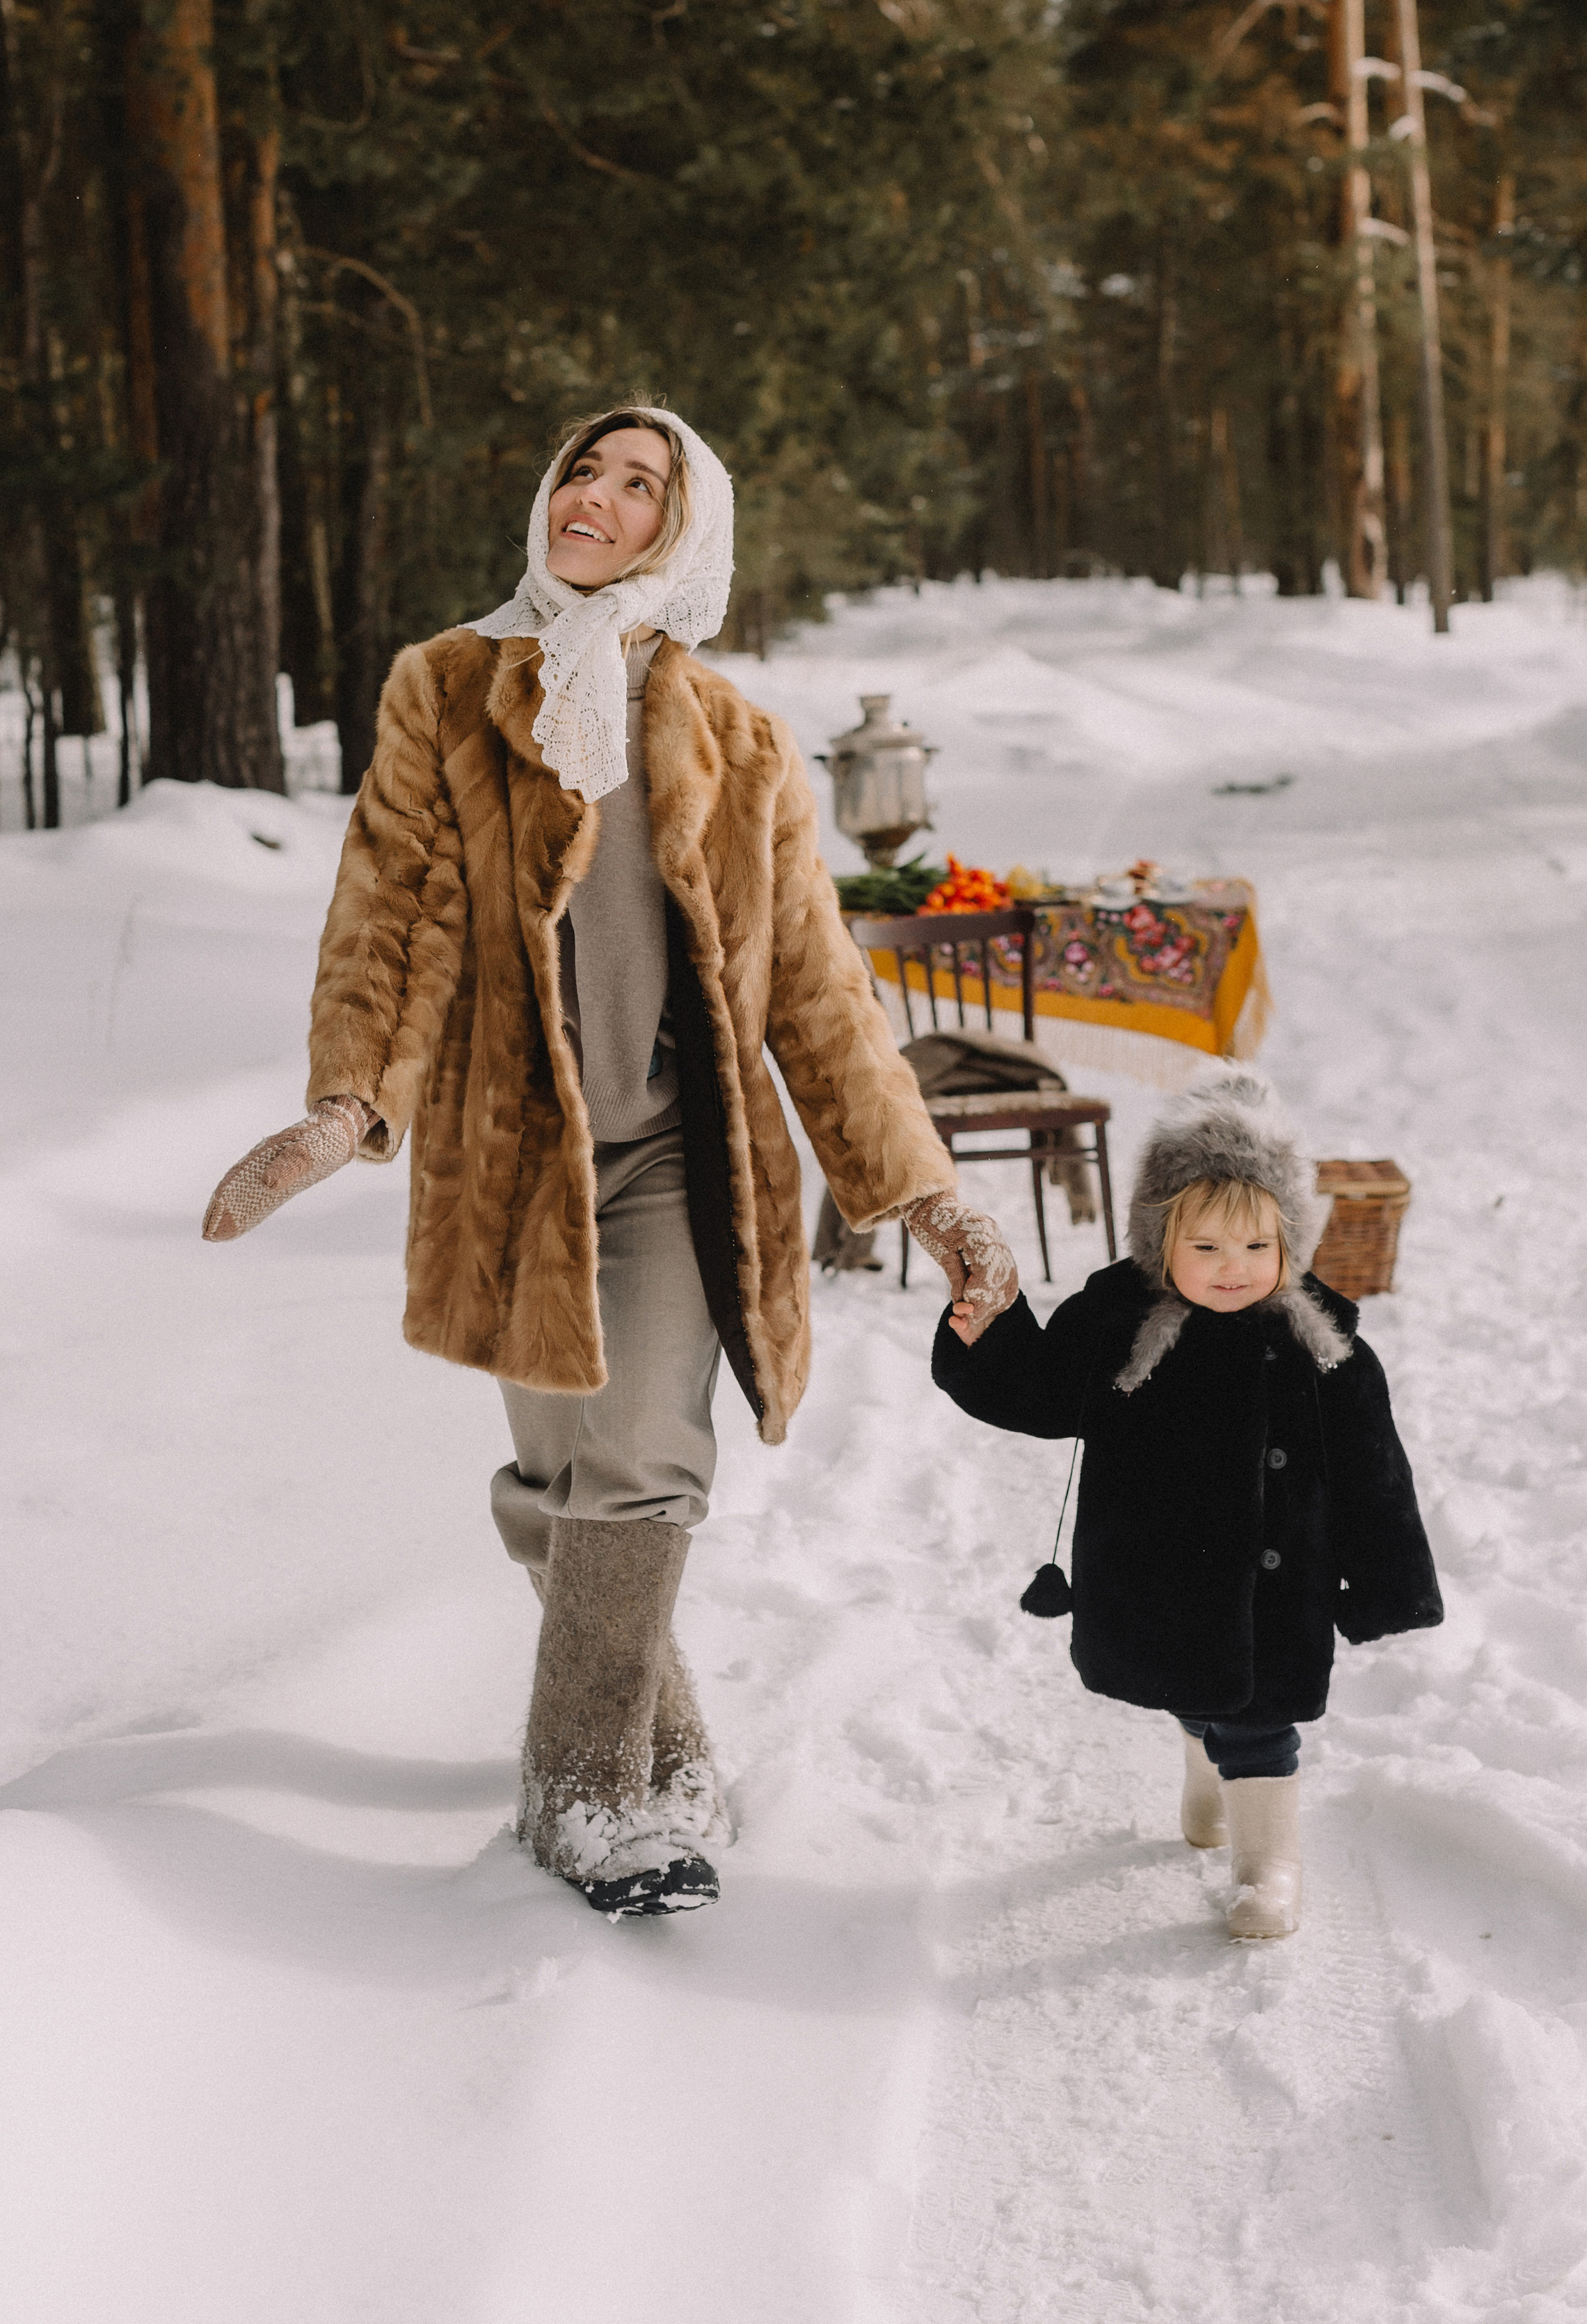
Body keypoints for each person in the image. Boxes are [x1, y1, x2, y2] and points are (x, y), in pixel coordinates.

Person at [203, 401, 1018, 1917]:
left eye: (640, 483)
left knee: (641, 1468)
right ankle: (664, 1737)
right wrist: (342, 1105)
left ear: (681, 529)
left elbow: (817, 992)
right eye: (585, 468)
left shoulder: (736, 739)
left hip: (670, 1162)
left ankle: (578, 1798)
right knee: (559, 1475)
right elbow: (390, 914)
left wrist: (928, 1192)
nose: (598, 494)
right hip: (509, 1161)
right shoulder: (447, 688)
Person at [930, 1063, 1442, 1941]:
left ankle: (1266, 1865)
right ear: (1158, 1240)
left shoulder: (1321, 1342)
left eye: (1255, 1247)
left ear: (1291, 1241)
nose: (1232, 1269)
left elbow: (1372, 1471)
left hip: (1281, 1582)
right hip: (1158, 1570)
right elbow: (1045, 1394)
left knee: (1261, 1717)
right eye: (1204, 1248)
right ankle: (1204, 1770)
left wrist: (1388, 1585)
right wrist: (986, 1331)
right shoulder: (1121, 1318)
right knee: (1200, 1698)